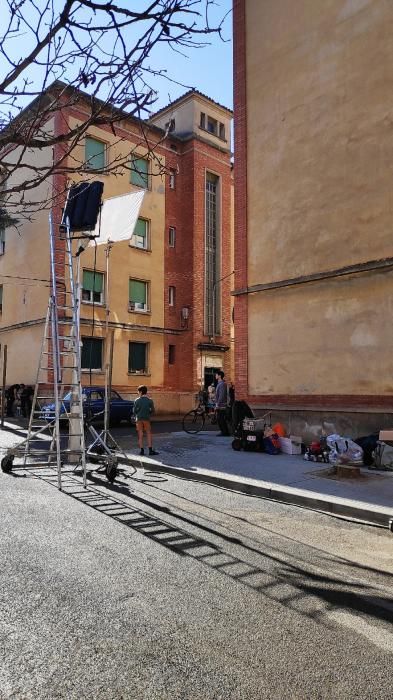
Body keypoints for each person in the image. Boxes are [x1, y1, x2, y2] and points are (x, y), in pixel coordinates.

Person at [134, 385, 159, 457]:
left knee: (140, 435)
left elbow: (134, 411)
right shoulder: (150, 400)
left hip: (139, 419)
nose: (138, 393)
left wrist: (138, 412)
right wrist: (148, 413)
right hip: (146, 419)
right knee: (148, 434)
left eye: (138, 391)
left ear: (141, 392)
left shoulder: (137, 400)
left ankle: (142, 451)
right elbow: (153, 411)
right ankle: (150, 450)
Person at [215, 370, 230, 436]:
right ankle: (224, 432)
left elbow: (222, 395)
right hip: (220, 405)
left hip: (222, 406)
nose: (215, 376)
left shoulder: (222, 384)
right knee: (220, 419)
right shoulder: (220, 384)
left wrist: (218, 404)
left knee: (221, 419)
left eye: (216, 375)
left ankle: (225, 432)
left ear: (219, 376)